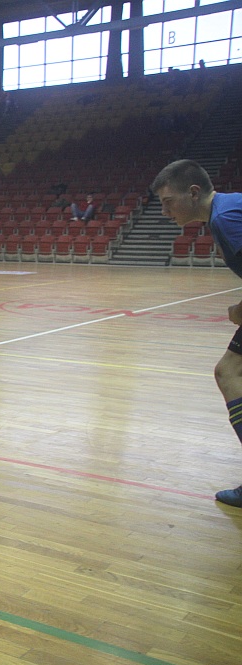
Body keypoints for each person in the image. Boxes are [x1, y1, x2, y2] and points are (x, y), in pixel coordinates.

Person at [152, 159, 242, 507]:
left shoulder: (225, 218)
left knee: (230, 372)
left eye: (167, 201)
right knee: (229, 371)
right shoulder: (227, 210)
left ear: (193, 193)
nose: (164, 211)